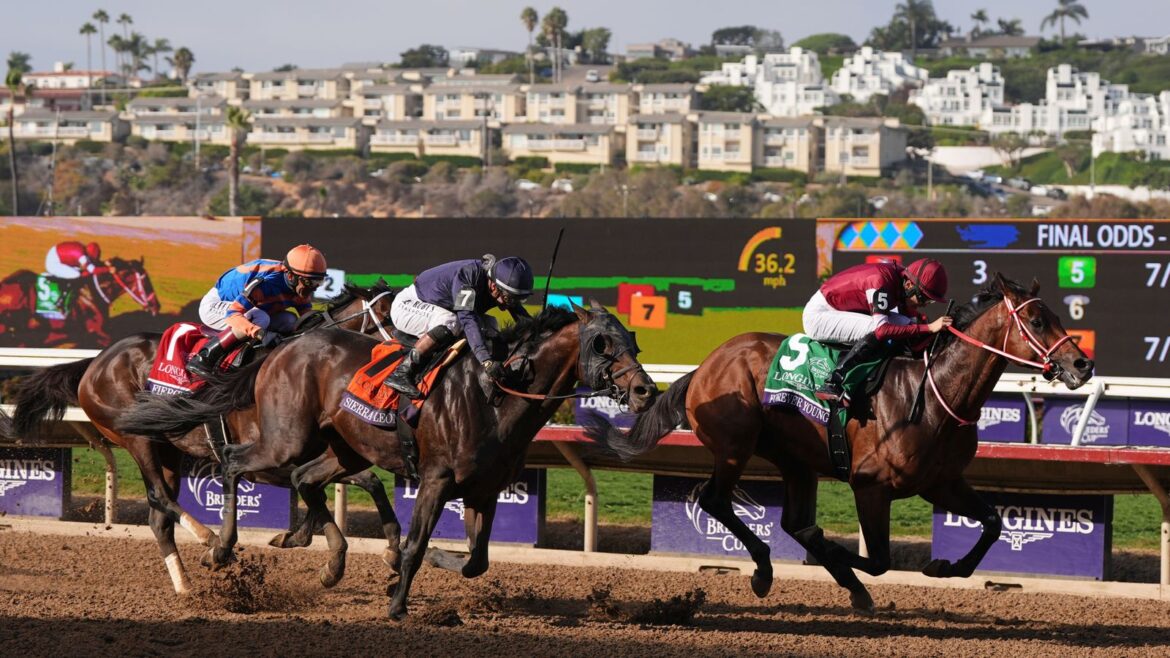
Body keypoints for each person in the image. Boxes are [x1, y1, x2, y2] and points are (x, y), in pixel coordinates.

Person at [802, 258, 953, 404]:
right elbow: (882, 330)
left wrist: (927, 331)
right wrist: (929, 327)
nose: (925, 304)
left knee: (907, 324)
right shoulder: (881, 282)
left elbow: (910, 323)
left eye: (930, 301)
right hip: (819, 316)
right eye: (924, 299)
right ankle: (834, 381)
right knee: (877, 329)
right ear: (908, 285)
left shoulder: (902, 280)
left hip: (840, 310)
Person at [384, 254, 533, 399]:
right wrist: (486, 360)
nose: (510, 304)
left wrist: (540, 331)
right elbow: (466, 317)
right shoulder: (467, 277)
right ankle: (402, 372)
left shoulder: (499, 284)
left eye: (518, 299)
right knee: (451, 321)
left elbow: (521, 316)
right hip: (407, 305)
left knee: (492, 324)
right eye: (509, 298)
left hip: (438, 308)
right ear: (494, 285)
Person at [187, 244, 327, 378]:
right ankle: (204, 358)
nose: (314, 289)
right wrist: (261, 333)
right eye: (310, 283)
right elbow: (233, 315)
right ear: (291, 277)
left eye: (318, 283)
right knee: (260, 318)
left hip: (251, 309)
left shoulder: (300, 286)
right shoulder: (266, 282)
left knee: (289, 320)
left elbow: (307, 321)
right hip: (216, 306)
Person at [44, 241, 108, 280]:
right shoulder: (82, 256)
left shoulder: (82, 248)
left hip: (54, 254)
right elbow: (93, 270)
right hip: (53, 263)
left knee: (79, 270)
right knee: (76, 275)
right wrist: (108, 269)